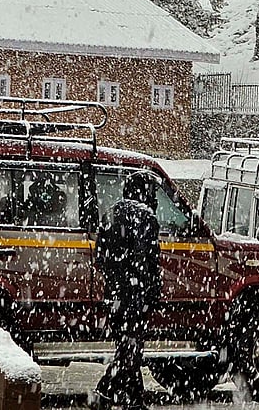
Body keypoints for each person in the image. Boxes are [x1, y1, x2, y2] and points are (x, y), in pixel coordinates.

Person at [90, 172, 162, 410]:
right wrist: (149, 289)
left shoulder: (110, 213)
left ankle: (128, 399)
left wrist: (116, 280)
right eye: (152, 193)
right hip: (135, 296)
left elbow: (100, 258)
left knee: (127, 348)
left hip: (114, 295)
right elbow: (146, 260)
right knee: (130, 349)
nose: (155, 199)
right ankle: (108, 393)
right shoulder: (146, 217)